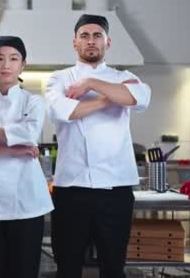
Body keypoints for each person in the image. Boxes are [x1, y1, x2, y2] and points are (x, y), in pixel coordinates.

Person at [45, 14, 151, 278]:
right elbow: (65, 111)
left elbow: (140, 98)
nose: (91, 41)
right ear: (74, 42)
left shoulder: (124, 75)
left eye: (97, 36)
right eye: (84, 36)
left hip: (115, 187)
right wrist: (111, 98)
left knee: (113, 266)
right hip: (71, 187)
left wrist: (91, 84)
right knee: (67, 266)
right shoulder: (58, 79)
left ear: (108, 42)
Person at [0, 36, 54, 278]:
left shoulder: (33, 101)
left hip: (26, 202)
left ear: (23, 65)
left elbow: (28, 134)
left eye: (13, 58)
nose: (5, 64)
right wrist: (13, 149)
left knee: (24, 271)